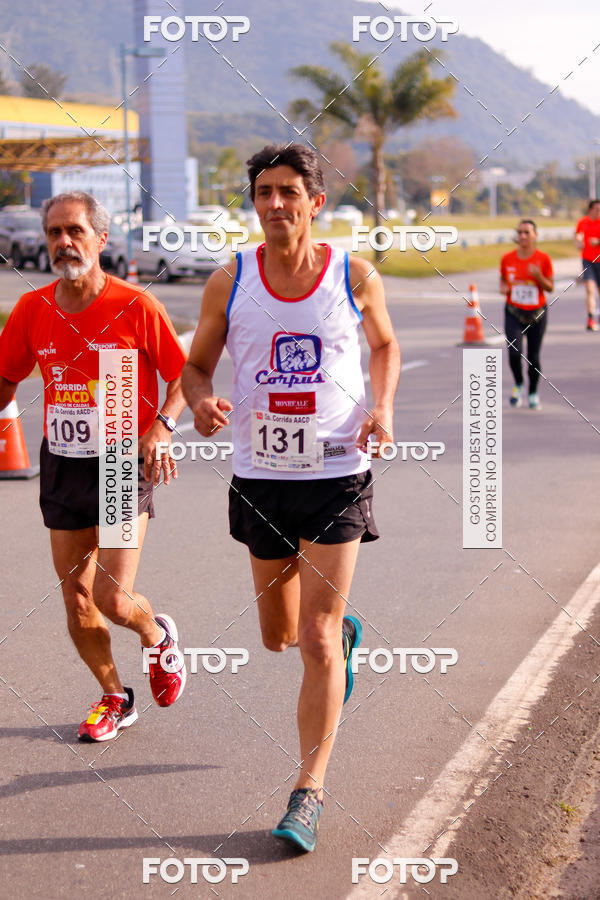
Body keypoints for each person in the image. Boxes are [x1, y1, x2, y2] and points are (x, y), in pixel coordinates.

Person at [182, 143, 400, 852]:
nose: (275, 204)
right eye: (263, 192)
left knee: (314, 639)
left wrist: (384, 408)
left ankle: (308, 791)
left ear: (316, 202)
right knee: (278, 636)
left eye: (288, 191)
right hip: (261, 477)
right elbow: (195, 365)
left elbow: (386, 346)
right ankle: (342, 638)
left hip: (337, 472)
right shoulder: (230, 280)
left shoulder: (353, 274)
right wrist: (202, 400)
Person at [0, 191, 187, 741]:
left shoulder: (136, 306)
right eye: (54, 232)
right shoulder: (32, 310)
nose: (63, 242)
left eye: (75, 231)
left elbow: (184, 376)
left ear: (101, 239)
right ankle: (113, 696)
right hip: (64, 465)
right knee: (76, 597)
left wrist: (163, 427)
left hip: (121, 463)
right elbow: (6, 378)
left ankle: (156, 637)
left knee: (111, 596)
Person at [500, 219, 554, 410]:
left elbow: (550, 287)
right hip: (514, 311)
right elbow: (503, 280)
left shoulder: (543, 258)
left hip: (537, 313)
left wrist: (538, 276)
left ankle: (532, 392)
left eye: (526, 232)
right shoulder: (507, 258)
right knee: (514, 353)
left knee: (534, 356)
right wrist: (504, 287)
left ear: (535, 235)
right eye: (519, 232)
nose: (522, 236)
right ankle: (518, 383)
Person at [575, 199, 600, 331]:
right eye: (597, 209)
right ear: (590, 210)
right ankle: (590, 319)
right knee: (589, 289)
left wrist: (598, 241)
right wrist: (578, 241)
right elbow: (577, 234)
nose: (599, 212)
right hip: (587, 260)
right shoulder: (583, 222)